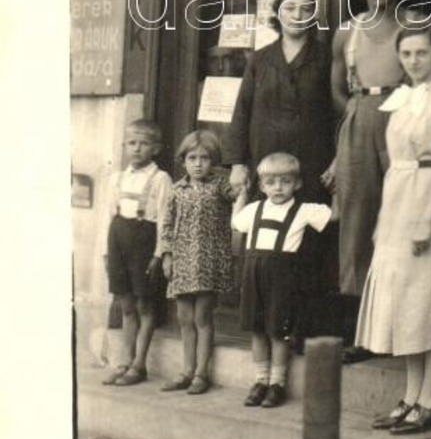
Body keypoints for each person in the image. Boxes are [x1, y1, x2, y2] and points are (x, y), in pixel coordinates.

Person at [355, 27, 431, 435]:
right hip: (399, 197)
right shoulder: (402, 96)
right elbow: (395, 160)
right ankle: (411, 395)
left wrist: (425, 218)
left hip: (430, 196)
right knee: (405, 300)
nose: (413, 60)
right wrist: (387, 219)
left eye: (422, 52)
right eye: (406, 53)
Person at [224, 0, 337, 339]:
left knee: (308, 244)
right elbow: (242, 110)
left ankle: (302, 330)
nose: (298, 16)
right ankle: (266, 329)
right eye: (290, 9)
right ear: (277, 13)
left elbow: (338, 112)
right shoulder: (260, 58)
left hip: (311, 161)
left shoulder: (325, 58)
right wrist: (238, 162)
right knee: (267, 246)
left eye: (306, 10)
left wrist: (337, 160)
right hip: (267, 164)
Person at [330, 0, 417, 360]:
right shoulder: (347, 32)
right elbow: (335, 88)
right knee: (356, 221)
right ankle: (358, 332)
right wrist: (353, 111)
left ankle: (398, 327)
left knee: (400, 219)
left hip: (401, 119)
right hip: (361, 118)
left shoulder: (415, 24)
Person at [232, 153, 332, 408]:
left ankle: (277, 383)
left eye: (285, 181)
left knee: (278, 331)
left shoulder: (304, 210)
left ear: (297, 184)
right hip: (253, 274)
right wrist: (241, 195)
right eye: (271, 182)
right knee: (257, 329)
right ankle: (260, 381)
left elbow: (334, 216)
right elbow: (236, 222)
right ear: (262, 185)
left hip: (282, 277)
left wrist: (337, 187)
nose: (278, 187)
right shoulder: (254, 209)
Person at [159, 130, 234, 395]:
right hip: (182, 258)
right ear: (184, 160)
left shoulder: (220, 186)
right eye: (193, 157)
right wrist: (166, 255)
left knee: (202, 316)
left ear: (213, 161)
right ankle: (186, 370)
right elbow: (166, 225)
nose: (198, 163)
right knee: (184, 317)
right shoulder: (177, 190)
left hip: (209, 259)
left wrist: (241, 177)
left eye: (205, 158)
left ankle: (202, 373)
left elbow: (238, 196)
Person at [102, 119, 172, 387]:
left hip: (145, 241)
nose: (137, 148)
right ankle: (124, 361)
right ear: (124, 146)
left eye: (144, 144)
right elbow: (109, 217)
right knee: (126, 304)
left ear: (156, 148)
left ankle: (139, 364)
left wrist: (159, 253)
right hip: (118, 240)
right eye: (132, 143)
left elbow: (165, 217)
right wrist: (106, 253)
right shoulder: (117, 178)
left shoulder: (160, 178)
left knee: (144, 304)